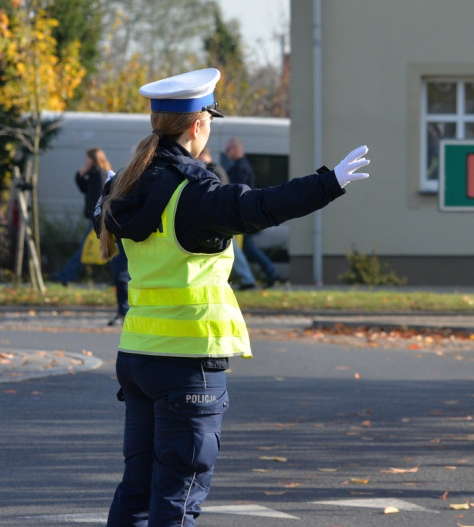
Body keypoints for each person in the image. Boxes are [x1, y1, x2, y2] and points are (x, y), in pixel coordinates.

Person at [96, 67, 369, 526]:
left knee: (137, 493)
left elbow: (106, 221)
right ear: (199, 124)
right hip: (188, 362)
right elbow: (260, 207)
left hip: (138, 356)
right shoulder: (194, 190)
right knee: (178, 498)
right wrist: (330, 182)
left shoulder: (126, 185)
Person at [225, 137, 281, 287]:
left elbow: (238, 191)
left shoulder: (240, 168)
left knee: (248, 248)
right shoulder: (241, 166)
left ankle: (267, 274)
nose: (226, 153)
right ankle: (268, 273)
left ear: (235, 149)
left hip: (243, 214)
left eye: (227, 149)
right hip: (245, 213)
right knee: (248, 248)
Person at [52, 147, 112, 286]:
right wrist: (80, 176)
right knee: (98, 249)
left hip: (98, 220)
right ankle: (66, 276)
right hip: (97, 219)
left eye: (87, 159)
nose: (86, 161)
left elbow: (102, 197)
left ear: (93, 159)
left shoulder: (100, 175)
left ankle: (65, 276)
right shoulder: (94, 174)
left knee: (85, 250)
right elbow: (84, 188)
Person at [200, 147, 256, 290]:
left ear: (203, 154)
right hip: (224, 215)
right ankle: (245, 278)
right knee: (232, 249)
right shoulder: (218, 169)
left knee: (233, 250)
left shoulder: (212, 170)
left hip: (220, 216)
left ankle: (247, 279)